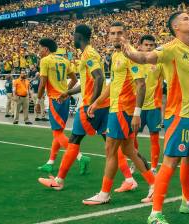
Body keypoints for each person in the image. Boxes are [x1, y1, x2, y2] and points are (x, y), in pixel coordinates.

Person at [121, 12, 189, 224]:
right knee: (171, 161)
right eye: (187, 18)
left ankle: (187, 203)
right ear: (176, 26)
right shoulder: (170, 48)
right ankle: (155, 213)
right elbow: (145, 57)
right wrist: (129, 51)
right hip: (179, 116)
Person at [82, 21, 155, 205]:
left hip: (124, 109)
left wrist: (137, 113)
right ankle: (155, 186)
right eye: (112, 33)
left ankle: (104, 194)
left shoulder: (130, 54)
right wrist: (97, 102)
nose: (116, 36)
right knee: (128, 149)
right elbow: (112, 84)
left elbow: (141, 84)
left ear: (126, 34)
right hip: (117, 108)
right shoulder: (115, 55)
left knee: (110, 150)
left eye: (119, 33)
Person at [38, 25, 106, 189]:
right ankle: (133, 179)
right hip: (97, 104)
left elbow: (99, 78)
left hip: (87, 105)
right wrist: (68, 92)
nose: (72, 39)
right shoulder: (74, 57)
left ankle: (62, 178)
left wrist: (92, 103)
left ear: (78, 36)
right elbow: (84, 82)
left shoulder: (88, 53)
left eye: (73, 36)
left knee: (68, 137)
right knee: (113, 143)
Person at [114, 34, 163, 193]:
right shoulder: (134, 60)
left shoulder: (159, 63)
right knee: (131, 138)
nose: (149, 47)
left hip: (154, 106)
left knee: (154, 137)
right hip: (137, 107)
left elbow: (165, 82)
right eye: (146, 45)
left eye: (152, 45)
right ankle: (136, 162)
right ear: (140, 46)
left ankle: (154, 167)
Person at [35, 38, 89, 173]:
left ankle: (80, 157)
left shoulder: (45, 61)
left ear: (46, 49)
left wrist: (38, 100)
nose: (39, 51)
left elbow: (42, 83)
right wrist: (66, 92)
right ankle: (50, 162)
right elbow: (75, 80)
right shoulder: (65, 60)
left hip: (55, 99)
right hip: (64, 100)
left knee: (57, 133)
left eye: (40, 48)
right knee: (58, 132)